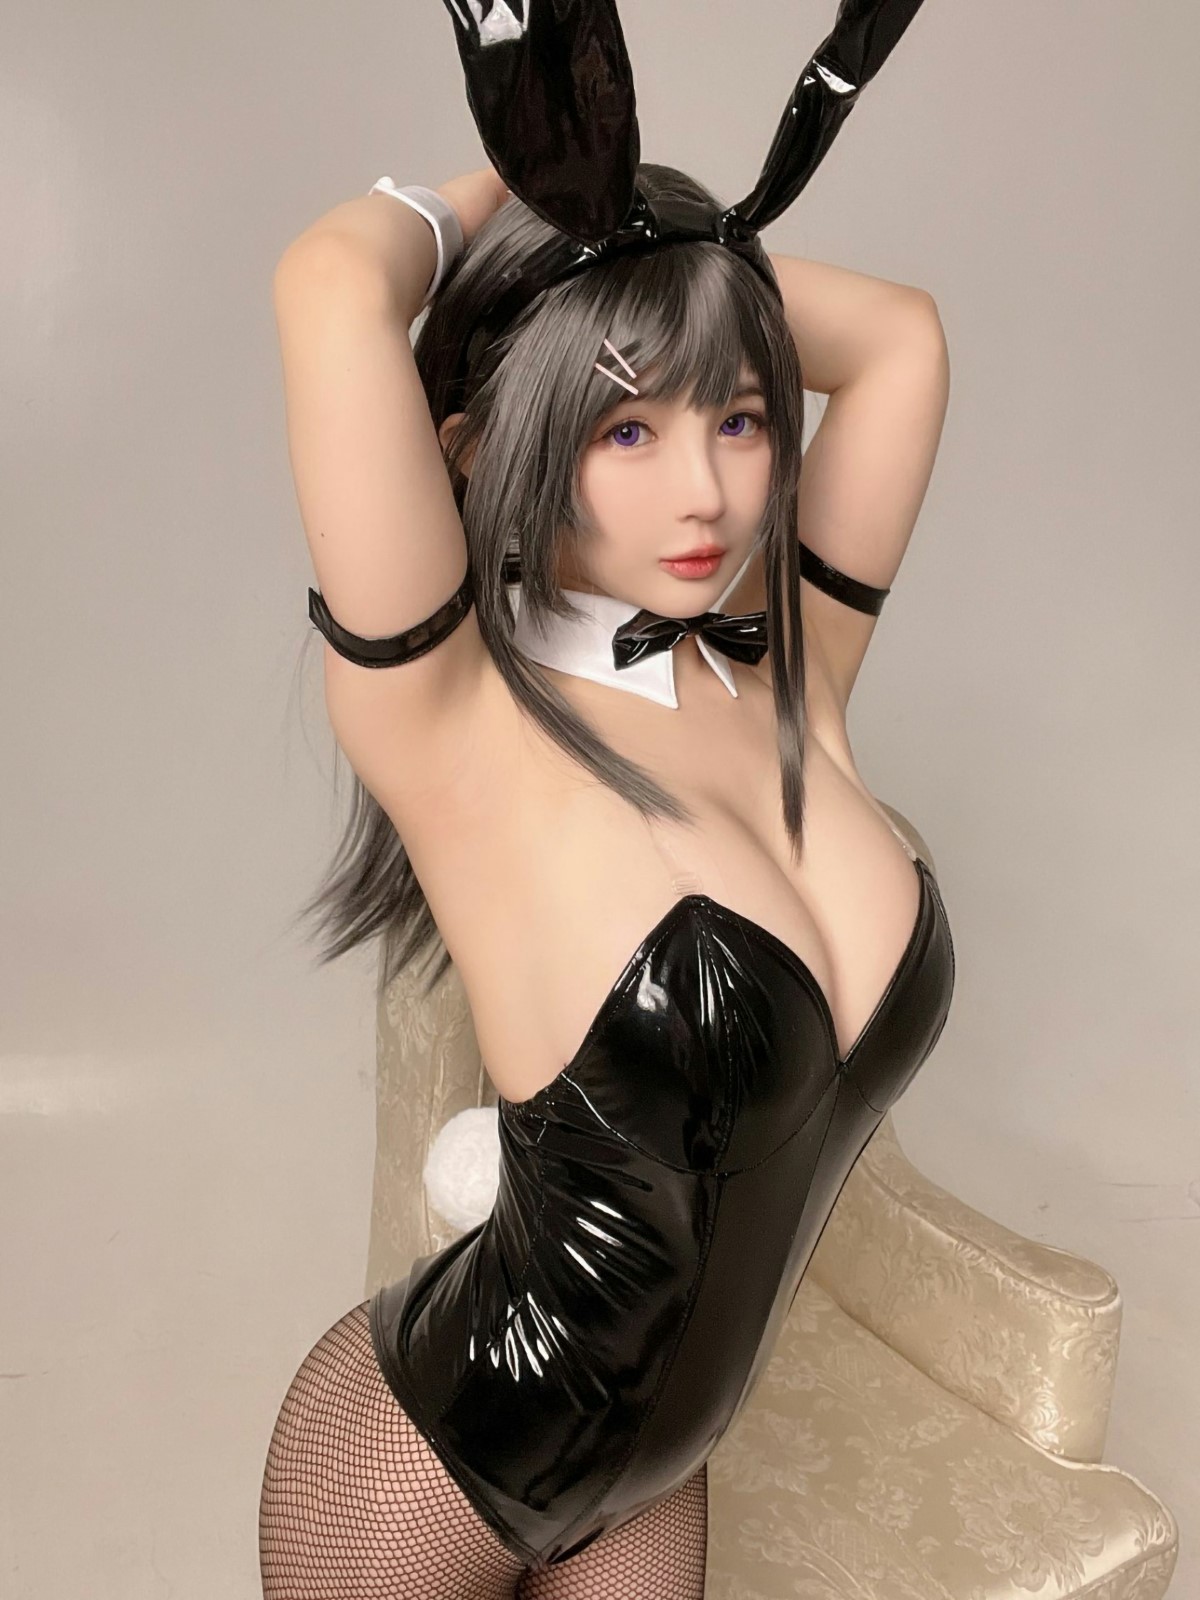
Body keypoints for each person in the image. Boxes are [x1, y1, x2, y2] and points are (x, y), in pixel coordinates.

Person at [259, 4, 953, 1595]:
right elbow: (329, 286)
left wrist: (669, 259)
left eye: (740, 415)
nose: (705, 490)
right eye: (625, 426)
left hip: (655, 1481)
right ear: (492, 443)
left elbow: (903, 339)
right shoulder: (461, 726)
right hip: (427, 1467)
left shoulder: (790, 673)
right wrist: (526, 207)